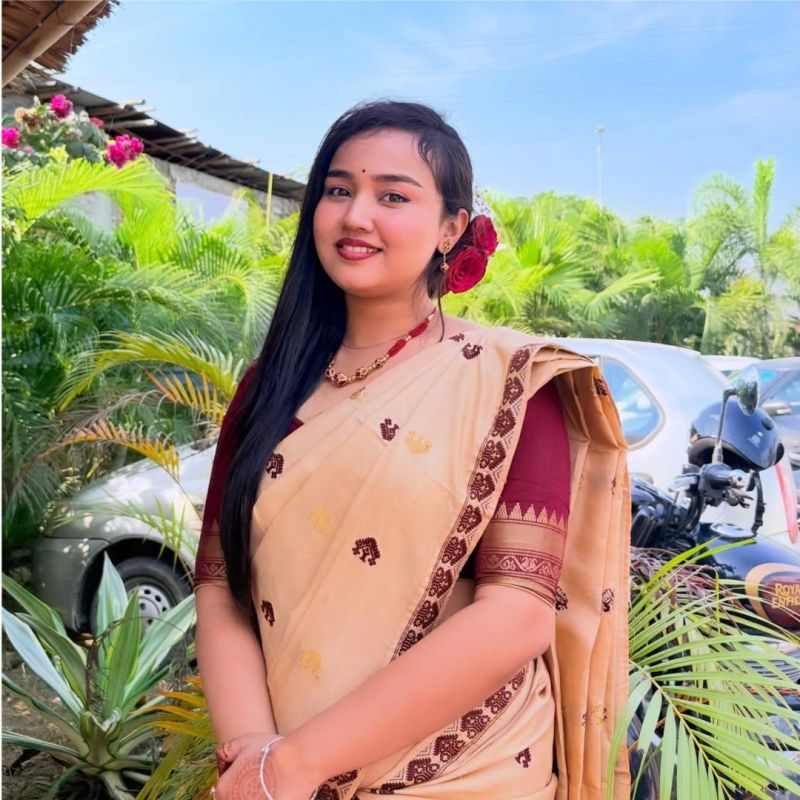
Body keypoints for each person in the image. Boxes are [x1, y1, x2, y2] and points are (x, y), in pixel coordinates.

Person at [193, 100, 631, 800]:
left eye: (392, 196)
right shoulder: (266, 387)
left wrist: (298, 765)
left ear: (451, 227)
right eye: (338, 190)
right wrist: (256, 759)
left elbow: (516, 615)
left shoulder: (509, 381)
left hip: (464, 772)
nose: (356, 215)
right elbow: (221, 582)